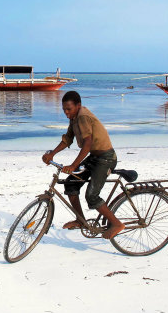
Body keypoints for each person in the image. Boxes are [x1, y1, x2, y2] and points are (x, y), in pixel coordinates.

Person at [42, 91, 125, 239]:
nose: (66, 113)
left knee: (92, 195)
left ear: (78, 106)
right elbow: (67, 139)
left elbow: (87, 144)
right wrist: (52, 154)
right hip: (95, 157)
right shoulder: (74, 118)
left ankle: (117, 224)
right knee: (71, 184)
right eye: (64, 110)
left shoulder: (83, 117)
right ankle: (80, 220)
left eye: (69, 109)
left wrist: (74, 165)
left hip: (106, 159)